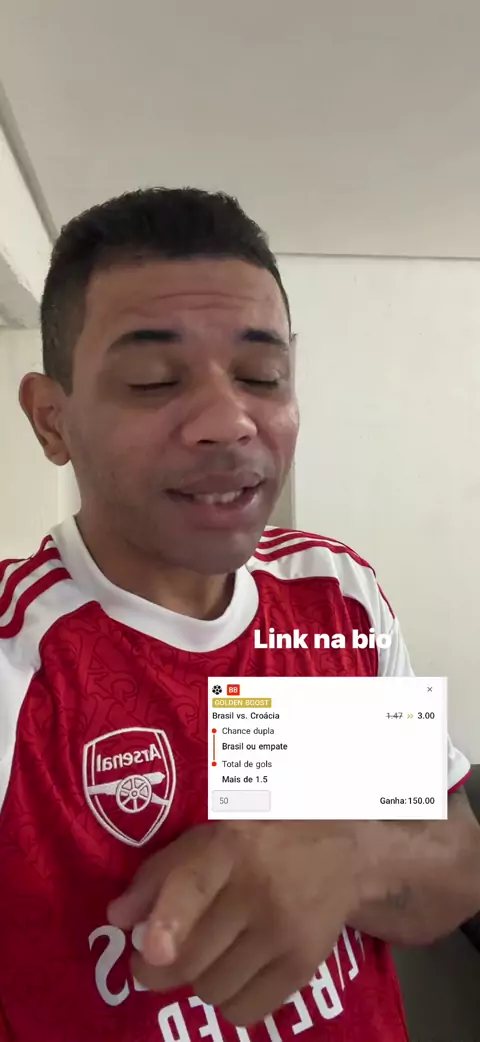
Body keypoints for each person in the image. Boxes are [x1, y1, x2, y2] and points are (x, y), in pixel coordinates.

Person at [0, 188, 479, 1042]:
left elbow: (457, 865)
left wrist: (350, 859)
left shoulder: (330, 596)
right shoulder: (19, 665)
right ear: (52, 420)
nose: (229, 422)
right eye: (153, 381)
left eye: (262, 377)